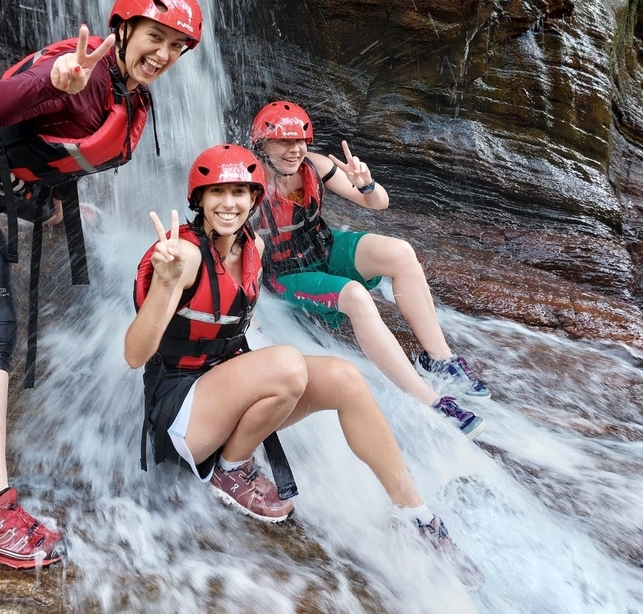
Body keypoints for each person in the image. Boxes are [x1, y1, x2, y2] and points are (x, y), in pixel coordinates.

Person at [0, 0, 203, 570]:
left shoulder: (128, 92)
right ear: (123, 28)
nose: (165, 55)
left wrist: (51, 206)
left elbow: (43, 151)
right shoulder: (76, 70)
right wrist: (49, 82)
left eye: (177, 47)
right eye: (156, 37)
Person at [125, 144, 484, 592]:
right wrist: (164, 284)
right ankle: (231, 470)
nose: (229, 203)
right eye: (218, 192)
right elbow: (135, 355)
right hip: (179, 417)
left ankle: (417, 517)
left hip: (218, 397)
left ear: (255, 198)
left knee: (344, 379)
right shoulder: (186, 255)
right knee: (289, 365)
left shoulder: (251, 247)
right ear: (199, 198)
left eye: (240, 191)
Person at [249, 101, 491, 439]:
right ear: (262, 145)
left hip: (324, 248)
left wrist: (365, 183)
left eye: (300, 141)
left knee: (401, 252)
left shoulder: (315, 165)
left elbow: (378, 203)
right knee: (357, 297)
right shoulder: (251, 184)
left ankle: (439, 359)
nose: (294, 150)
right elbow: (238, 249)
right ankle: (430, 401)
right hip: (284, 275)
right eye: (283, 142)